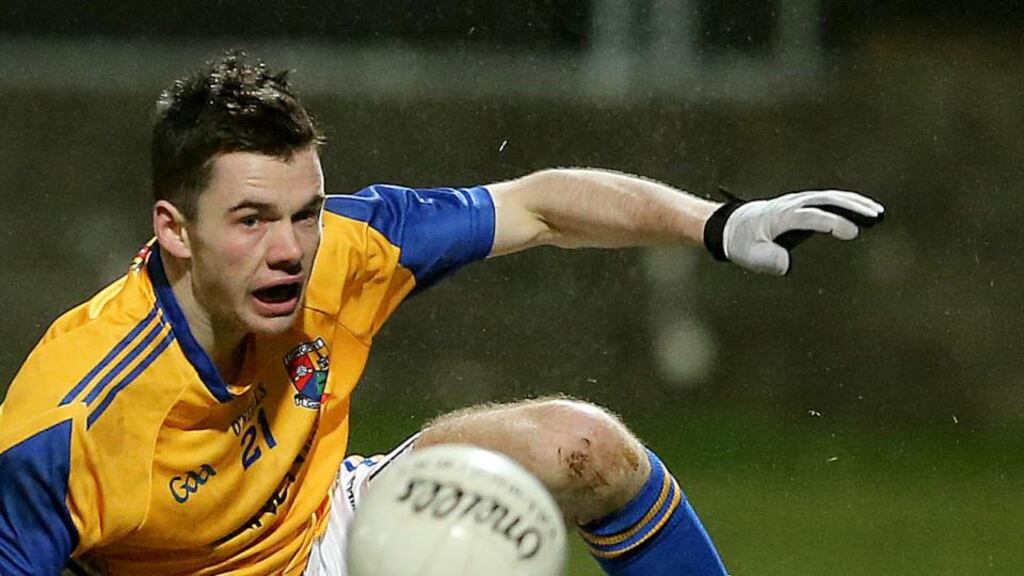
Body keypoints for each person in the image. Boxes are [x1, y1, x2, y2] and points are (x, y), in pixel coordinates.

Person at [0, 52, 883, 576]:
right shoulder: (71, 422)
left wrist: (717, 224)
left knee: (586, 450)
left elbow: (538, 204)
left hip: (327, 534)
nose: (289, 249)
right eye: (250, 220)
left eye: (303, 212)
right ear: (175, 230)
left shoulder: (345, 247)